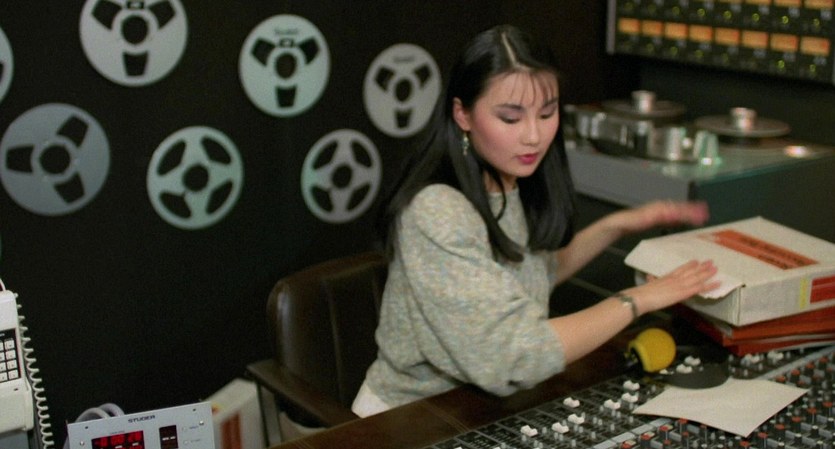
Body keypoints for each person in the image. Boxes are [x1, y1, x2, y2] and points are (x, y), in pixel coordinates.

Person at [351, 24, 719, 418]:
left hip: (477, 411)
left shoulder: (506, 180)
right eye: (511, 118)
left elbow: (531, 277)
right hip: (407, 419)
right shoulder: (437, 209)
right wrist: (639, 300)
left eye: (547, 113)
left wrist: (620, 225)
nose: (534, 136)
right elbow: (514, 355)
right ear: (463, 114)